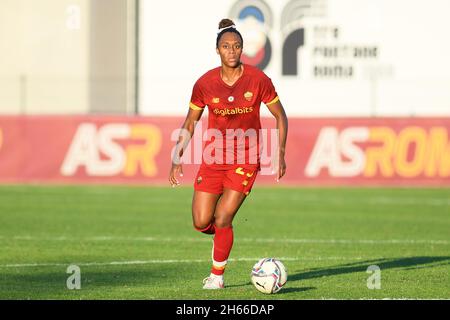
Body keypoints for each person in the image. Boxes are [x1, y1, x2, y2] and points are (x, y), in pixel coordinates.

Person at [169, 18, 288, 289]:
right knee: (201, 222)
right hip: (213, 159)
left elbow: (281, 116)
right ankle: (222, 237)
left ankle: (217, 277)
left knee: (223, 217)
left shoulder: (258, 80)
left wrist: (280, 152)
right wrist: (177, 158)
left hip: (245, 159)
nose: (231, 51)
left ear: (242, 49)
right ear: (218, 50)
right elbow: (190, 122)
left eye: (236, 46)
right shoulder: (205, 83)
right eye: (226, 46)